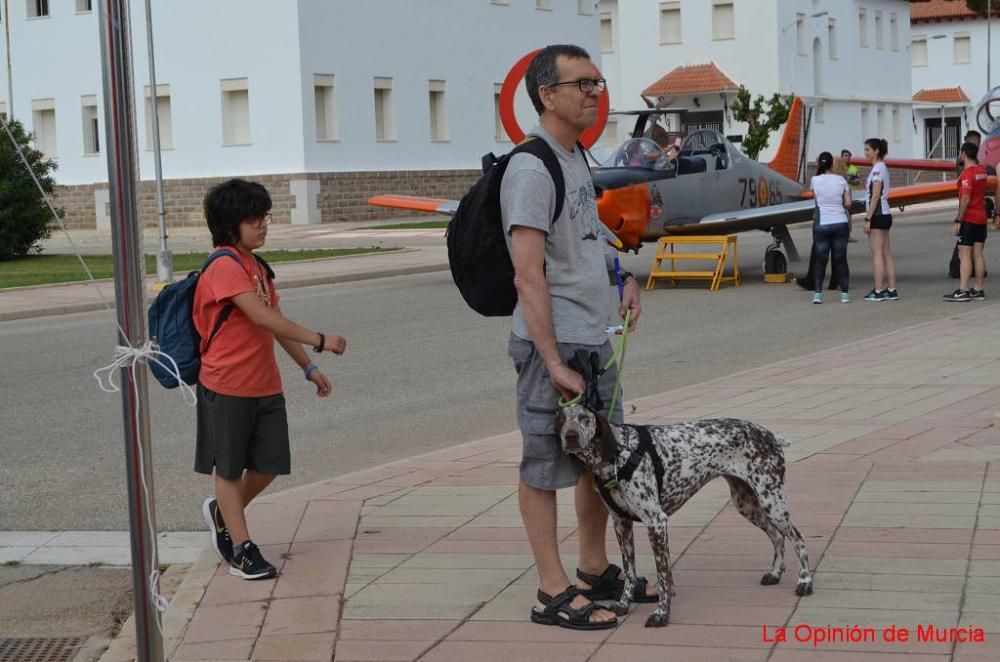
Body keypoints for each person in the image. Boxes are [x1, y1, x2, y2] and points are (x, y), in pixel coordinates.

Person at [500, 44, 652, 630]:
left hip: (595, 337)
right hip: (555, 347)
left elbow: (589, 237)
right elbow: (527, 272)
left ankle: (594, 567)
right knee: (544, 463)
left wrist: (624, 275)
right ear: (547, 94)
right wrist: (552, 359)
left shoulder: (576, 157)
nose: (595, 92)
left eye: (597, 81)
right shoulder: (531, 168)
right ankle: (551, 589)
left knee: (599, 461)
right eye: (582, 83)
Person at [194, 179, 347, 580]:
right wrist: (320, 340)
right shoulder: (223, 265)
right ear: (230, 224)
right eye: (253, 218)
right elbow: (260, 316)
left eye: (264, 217)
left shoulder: (257, 267)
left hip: (264, 383)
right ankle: (242, 549)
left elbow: (275, 323)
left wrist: (308, 367)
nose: (263, 225)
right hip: (226, 383)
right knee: (228, 469)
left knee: (270, 464)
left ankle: (222, 511)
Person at [944, 142, 991, 302]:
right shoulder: (982, 171)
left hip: (969, 219)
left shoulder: (967, 175)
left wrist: (958, 219)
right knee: (977, 254)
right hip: (981, 218)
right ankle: (978, 289)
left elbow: (965, 198)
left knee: (964, 254)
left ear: (963, 154)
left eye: (959, 153)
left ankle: (963, 290)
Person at [809, 152, 853, 303]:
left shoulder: (814, 180)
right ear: (832, 164)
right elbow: (848, 203)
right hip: (840, 222)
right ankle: (845, 294)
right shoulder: (841, 180)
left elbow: (816, 199)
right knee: (840, 258)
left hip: (822, 223)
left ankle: (818, 294)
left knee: (821, 259)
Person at [862, 138, 898, 302]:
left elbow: (875, 194)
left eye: (868, 150)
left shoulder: (877, 169)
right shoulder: (881, 167)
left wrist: (868, 217)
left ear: (876, 151)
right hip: (884, 214)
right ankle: (891, 289)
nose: (865, 153)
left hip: (877, 214)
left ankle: (878, 291)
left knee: (877, 254)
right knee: (886, 253)